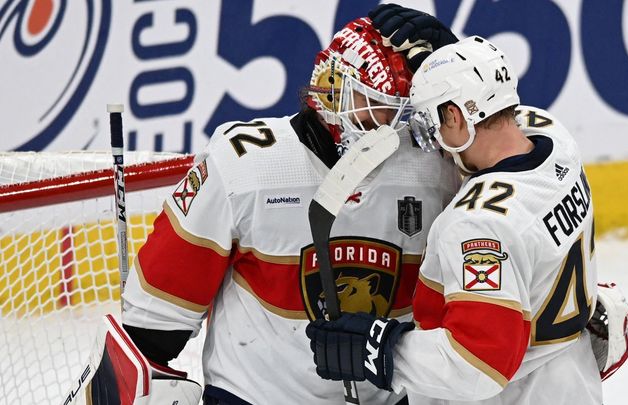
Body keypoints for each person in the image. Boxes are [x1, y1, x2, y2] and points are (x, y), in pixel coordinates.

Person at [80, 15, 463, 405]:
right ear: (333, 91)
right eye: (379, 104)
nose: (391, 123)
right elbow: (156, 324)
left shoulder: (439, 167)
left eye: (402, 109)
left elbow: (515, 153)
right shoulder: (244, 163)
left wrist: (459, 59)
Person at [307, 34, 628, 404]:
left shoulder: (477, 227)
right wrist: (448, 60)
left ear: (454, 115)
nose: (434, 143)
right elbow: (489, 121)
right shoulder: (554, 139)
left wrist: (380, 351)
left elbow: (478, 364)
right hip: (573, 382)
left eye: (432, 122)